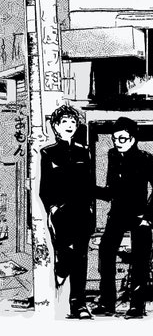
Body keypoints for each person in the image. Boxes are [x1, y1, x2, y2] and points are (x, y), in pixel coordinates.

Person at [91, 117, 153, 319]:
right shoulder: (113, 155)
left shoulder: (146, 158)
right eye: (115, 138)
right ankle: (107, 303)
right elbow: (111, 191)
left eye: (122, 139)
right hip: (117, 214)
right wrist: (89, 189)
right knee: (105, 253)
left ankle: (137, 306)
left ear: (133, 138)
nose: (117, 142)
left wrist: (148, 217)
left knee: (140, 261)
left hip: (140, 216)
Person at [39, 105, 95, 319]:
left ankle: (78, 305)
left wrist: (90, 207)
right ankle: (61, 268)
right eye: (65, 122)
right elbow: (44, 188)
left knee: (80, 257)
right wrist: (52, 208)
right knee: (66, 252)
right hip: (61, 212)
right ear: (55, 126)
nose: (70, 125)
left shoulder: (84, 151)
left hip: (82, 211)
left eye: (73, 122)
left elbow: (89, 184)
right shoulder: (48, 152)